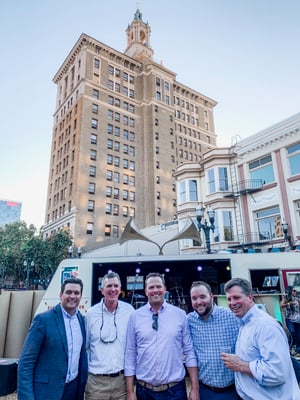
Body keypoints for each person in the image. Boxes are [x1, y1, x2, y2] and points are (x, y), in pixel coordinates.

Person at [221, 277, 300, 400]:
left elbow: (277, 372)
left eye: (236, 297)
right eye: (229, 299)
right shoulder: (244, 323)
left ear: (250, 297)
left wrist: (240, 365)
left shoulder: (265, 326)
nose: (232, 303)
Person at [125, 272, 199, 400]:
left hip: (175, 391)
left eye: (158, 287)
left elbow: (189, 351)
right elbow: (130, 353)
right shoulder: (134, 317)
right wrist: (130, 391)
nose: (155, 290)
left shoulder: (180, 315)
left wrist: (194, 388)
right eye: (151, 287)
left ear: (164, 289)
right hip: (144, 391)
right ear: (146, 291)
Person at [18, 277, 88, 400]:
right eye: (68, 292)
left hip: (73, 391)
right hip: (47, 393)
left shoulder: (81, 320)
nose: (72, 296)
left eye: (76, 293)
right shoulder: (43, 320)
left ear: (81, 296)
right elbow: (26, 363)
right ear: (61, 295)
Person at [85, 271, 134, 400]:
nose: (113, 289)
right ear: (102, 290)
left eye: (116, 286)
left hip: (121, 382)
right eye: (109, 286)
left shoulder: (129, 311)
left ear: (120, 289)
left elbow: (133, 346)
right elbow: (85, 347)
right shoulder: (91, 314)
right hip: (96, 384)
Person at [188, 281, 240, 399]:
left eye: (202, 297)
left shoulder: (231, 317)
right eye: (194, 298)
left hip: (232, 390)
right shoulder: (189, 321)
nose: (198, 302)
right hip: (205, 391)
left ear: (211, 297)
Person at [281, 286, 300, 354]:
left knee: (298, 334)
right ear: (290, 291)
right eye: (294, 291)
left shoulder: (297, 298)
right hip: (290, 319)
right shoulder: (286, 298)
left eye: (295, 291)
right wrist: (289, 303)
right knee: (292, 332)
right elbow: (281, 305)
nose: (295, 292)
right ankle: (291, 346)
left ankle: (297, 349)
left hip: (297, 319)